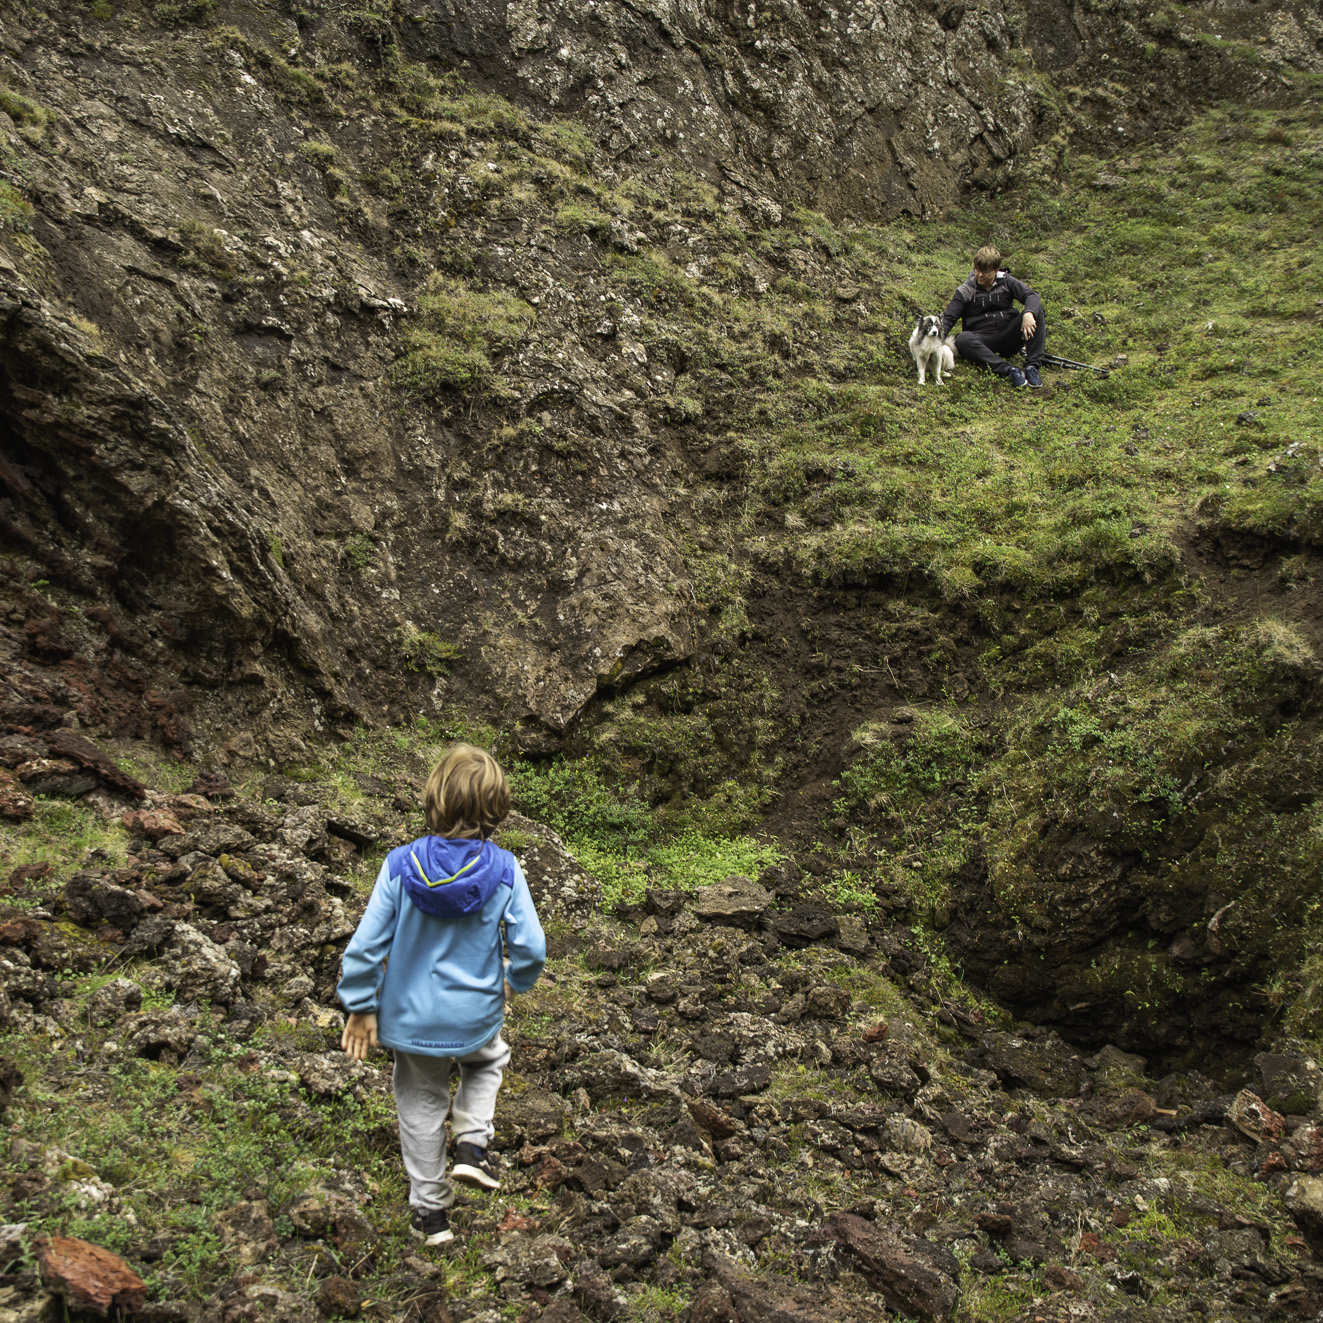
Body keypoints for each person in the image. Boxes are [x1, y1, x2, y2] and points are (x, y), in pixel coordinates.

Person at [337, 743, 545, 1247]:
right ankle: (473, 1144)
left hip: (409, 1022)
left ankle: (432, 1217)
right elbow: (531, 946)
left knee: (420, 1108)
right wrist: (515, 981)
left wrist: (361, 1006)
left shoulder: (398, 865)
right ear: (495, 808)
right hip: (473, 1017)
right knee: (486, 1062)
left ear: (434, 799)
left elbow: (364, 948)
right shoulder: (505, 869)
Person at [940, 245, 1047, 388]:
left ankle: (1032, 367)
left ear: (996, 270)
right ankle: (1009, 370)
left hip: (1008, 335)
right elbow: (948, 319)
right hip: (982, 340)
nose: (980, 275)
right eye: (977, 270)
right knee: (962, 339)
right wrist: (932, 343)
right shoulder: (965, 290)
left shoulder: (1007, 282)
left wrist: (1029, 313)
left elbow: (1031, 295)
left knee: (1037, 311)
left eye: (985, 272)